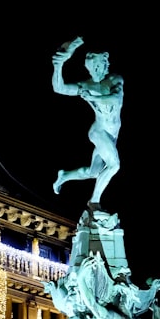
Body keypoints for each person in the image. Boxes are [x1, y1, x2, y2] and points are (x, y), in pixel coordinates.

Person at [50, 36, 124, 205]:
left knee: (94, 172)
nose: (95, 71)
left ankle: (65, 176)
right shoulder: (87, 85)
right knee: (114, 165)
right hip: (99, 131)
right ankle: (94, 202)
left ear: (105, 63)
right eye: (91, 69)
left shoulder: (114, 79)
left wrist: (93, 97)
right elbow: (59, 88)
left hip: (113, 133)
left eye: (97, 66)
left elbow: (116, 98)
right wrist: (58, 65)